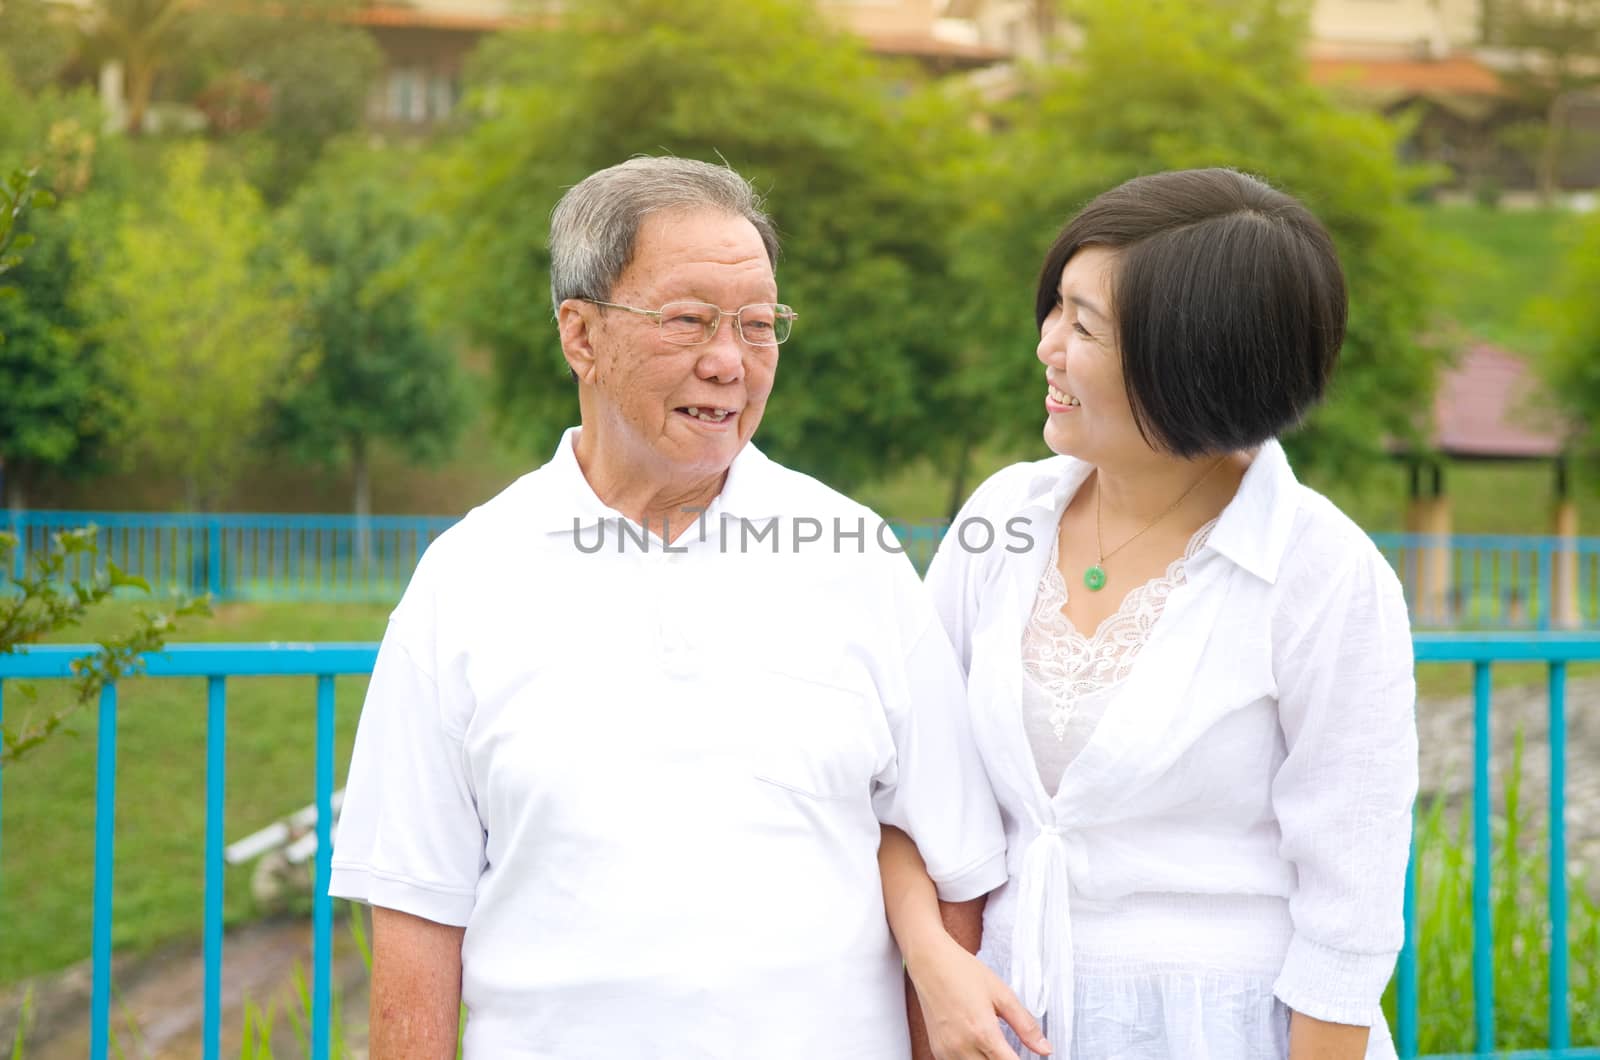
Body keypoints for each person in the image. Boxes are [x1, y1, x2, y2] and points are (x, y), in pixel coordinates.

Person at [327, 156, 1022, 1059]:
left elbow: (954, 867)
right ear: (580, 335)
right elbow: (417, 911)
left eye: (759, 325)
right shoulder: (466, 581)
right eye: (688, 319)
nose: (729, 361)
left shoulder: (856, 558)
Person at [898, 168, 1419, 1059]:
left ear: (1194, 360)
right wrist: (933, 965)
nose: (1047, 348)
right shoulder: (1003, 520)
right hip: (1004, 1021)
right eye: (1055, 308)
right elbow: (906, 781)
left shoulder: (1321, 574)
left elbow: (1350, 919)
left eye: (1086, 325)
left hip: (1223, 1030)